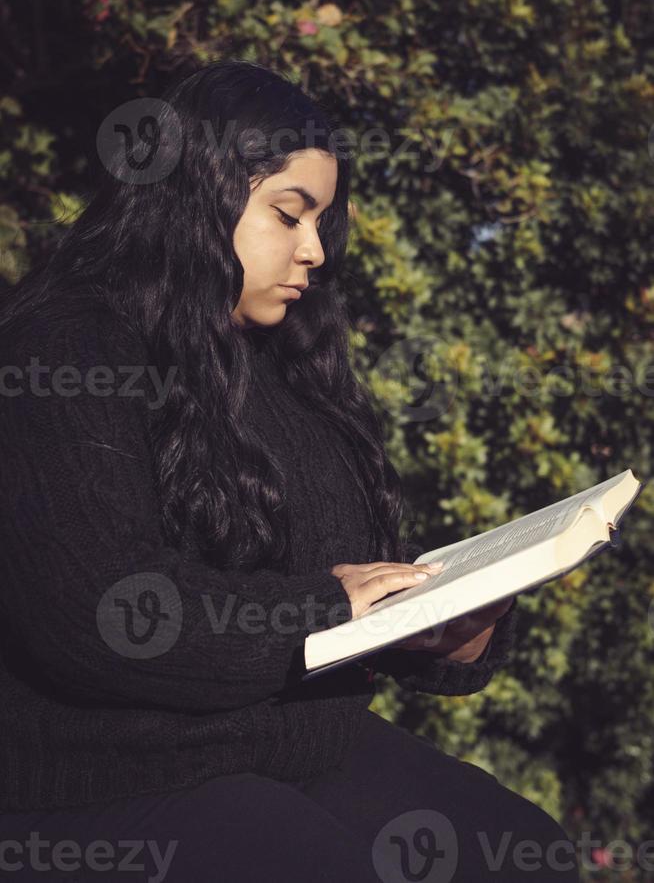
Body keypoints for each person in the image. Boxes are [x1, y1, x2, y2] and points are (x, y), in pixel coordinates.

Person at [0, 59, 579, 881]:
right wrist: (319, 608)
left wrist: (441, 630)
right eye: (288, 213)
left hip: (290, 745)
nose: (313, 250)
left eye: (321, 221)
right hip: (108, 773)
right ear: (194, 192)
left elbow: (342, 581)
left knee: (523, 851)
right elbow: (98, 617)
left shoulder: (284, 363)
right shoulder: (63, 351)